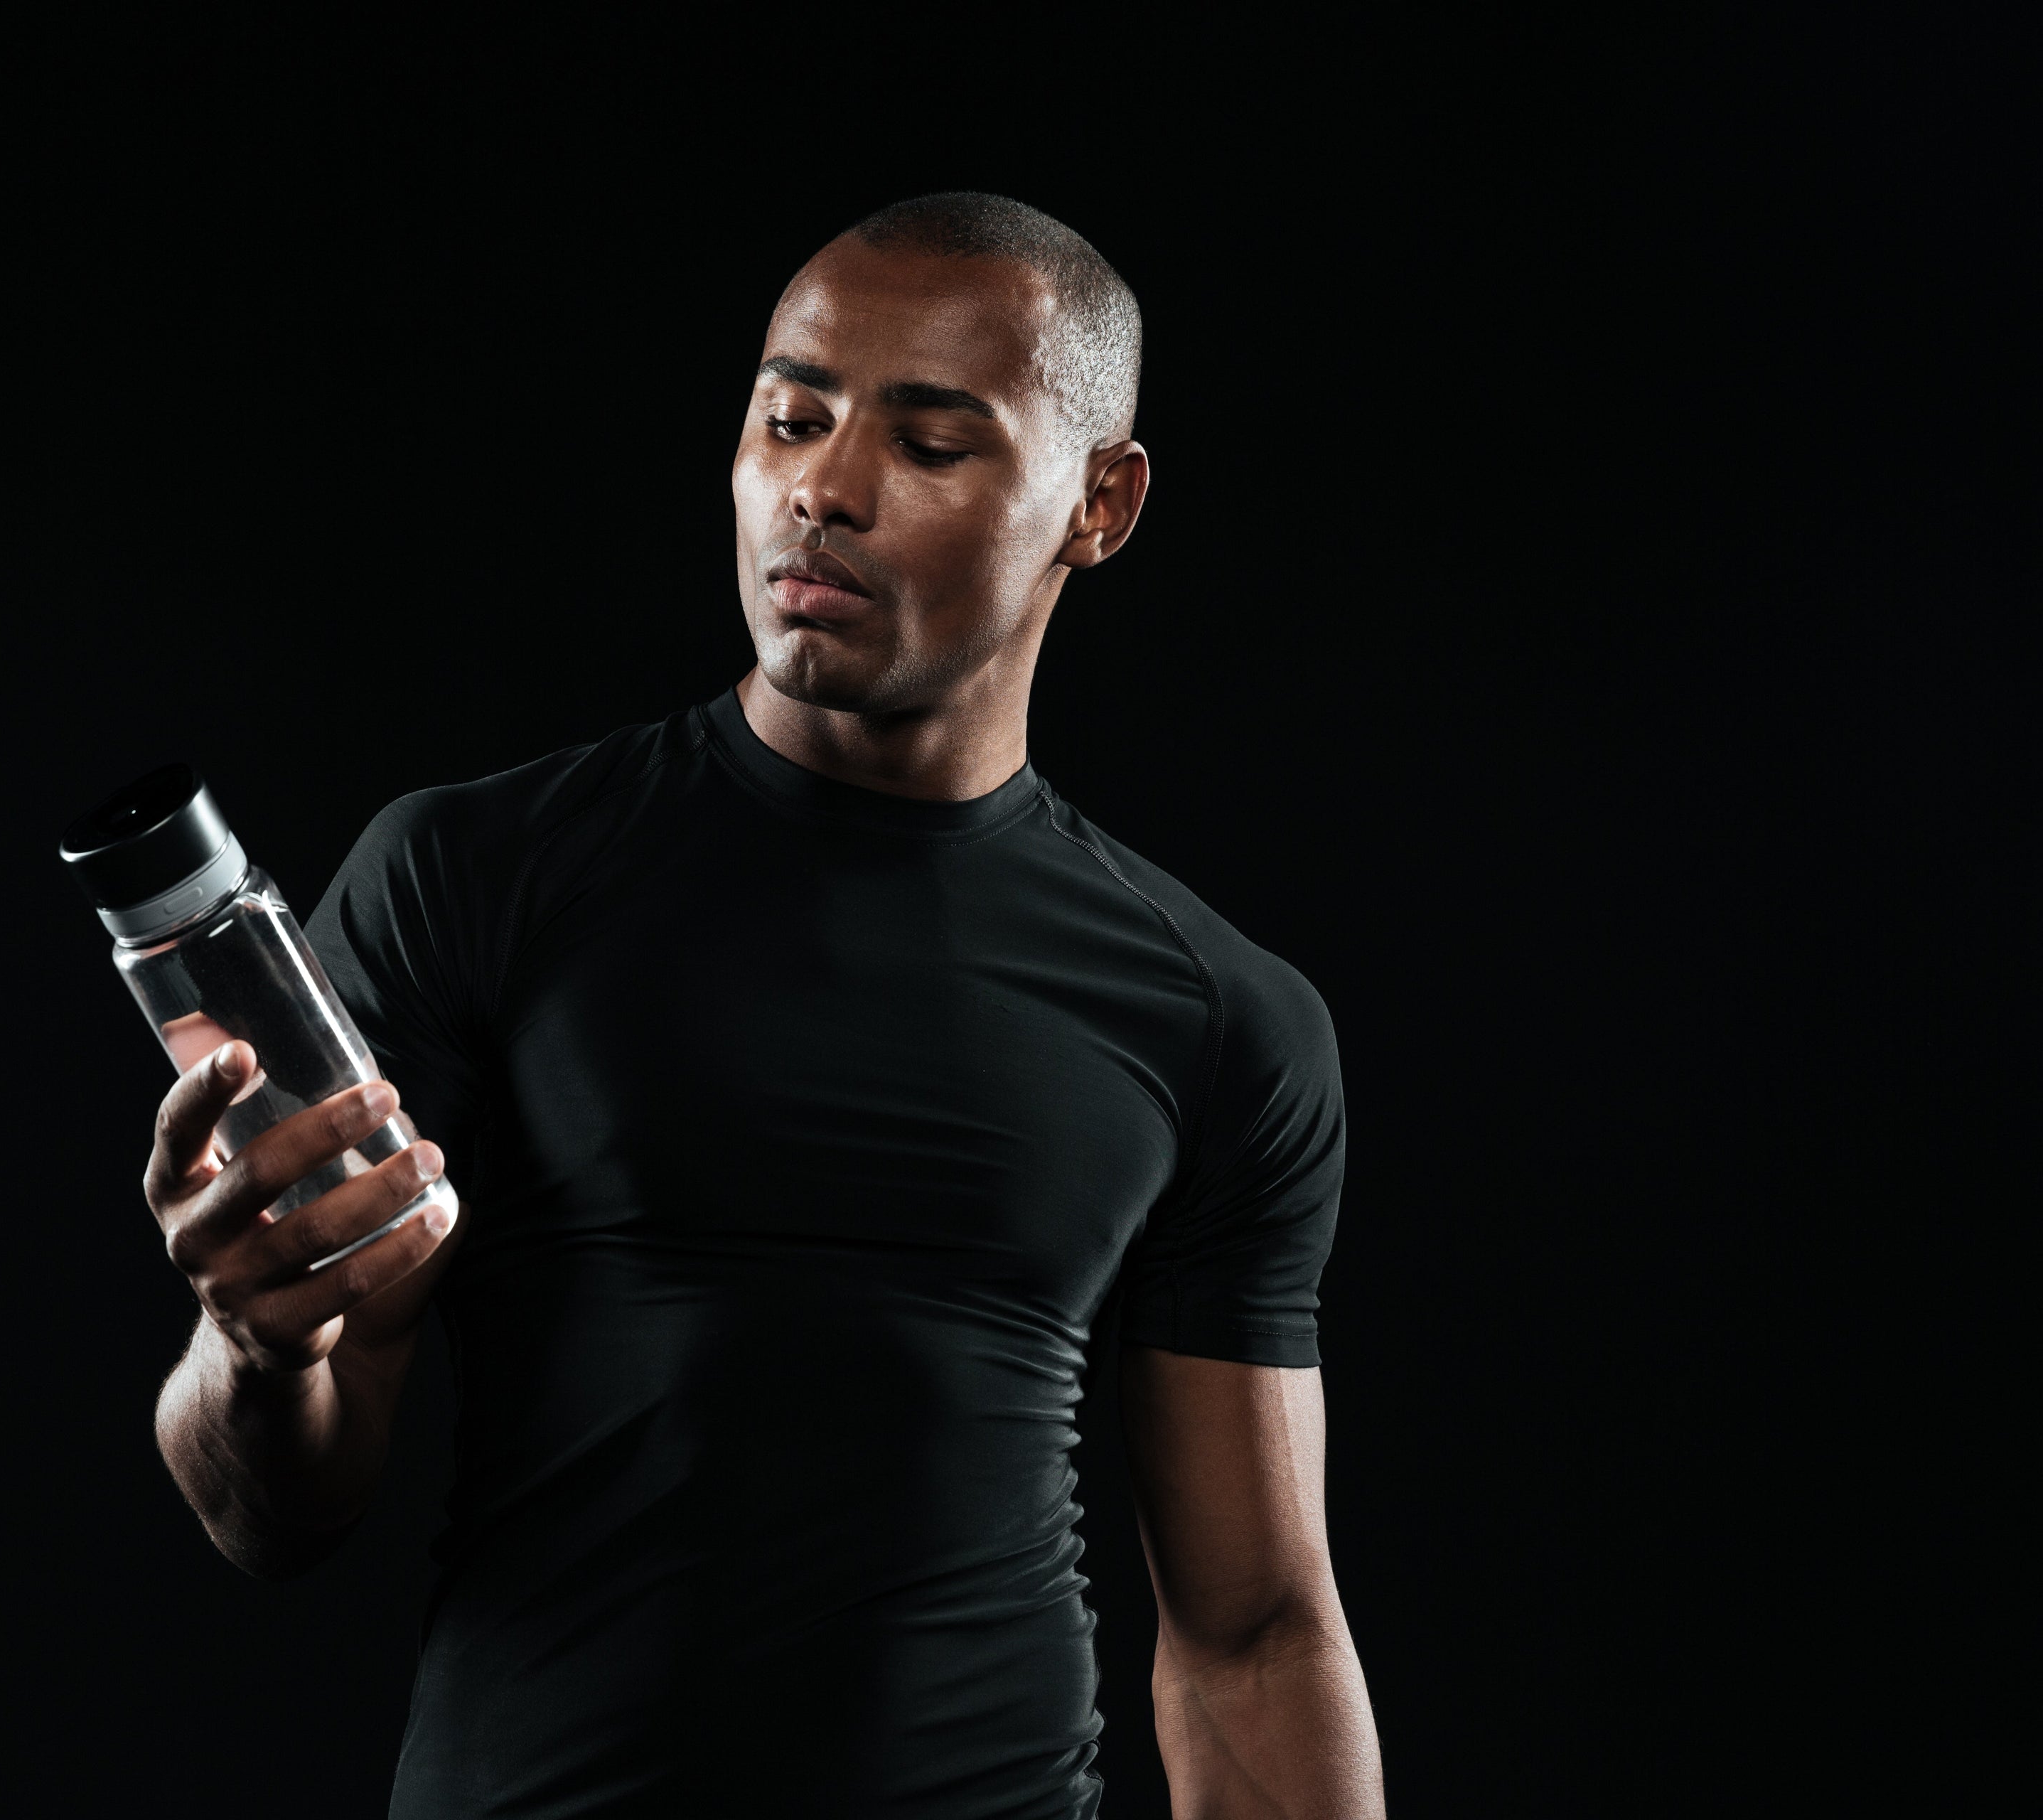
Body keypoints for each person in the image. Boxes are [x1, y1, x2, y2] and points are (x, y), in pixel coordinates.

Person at [140, 193, 1385, 1819]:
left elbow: (1254, 1637)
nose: (826, 488)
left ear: (1100, 503)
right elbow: (276, 1509)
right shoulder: (476, 873)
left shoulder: (1219, 1015)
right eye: (790, 418)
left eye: (933, 446)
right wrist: (250, 1340)